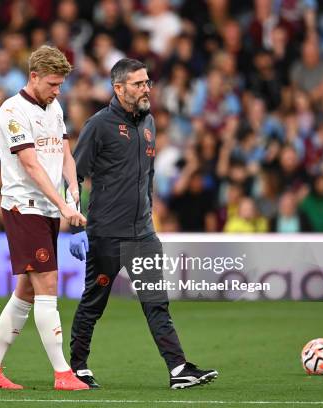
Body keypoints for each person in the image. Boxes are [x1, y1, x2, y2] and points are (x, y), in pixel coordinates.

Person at [68, 58, 218, 390]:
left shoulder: (149, 121)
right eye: (138, 84)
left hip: (143, 234)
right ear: (118, 88)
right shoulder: (98, 125)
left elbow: (147, 175)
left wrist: (150, 212)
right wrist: (76, 226)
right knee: (94, 302)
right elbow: (72, 177)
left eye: (147, 82)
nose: (146, 89)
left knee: (156, 302)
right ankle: (77, 367)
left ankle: (178, 368)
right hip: (107, 234)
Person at [0, 45, 89, 391]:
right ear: (34, 76)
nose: (58, 91)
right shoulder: (12, 111)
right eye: (53, 84)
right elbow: (31, 165)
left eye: (61, 85)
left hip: (49, 208)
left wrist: (73, 193)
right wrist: (64, 206)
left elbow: (65, 153)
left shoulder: (54, 106)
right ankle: (62, 373)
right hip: (25, 207)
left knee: (26, 289)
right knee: (47, 285)